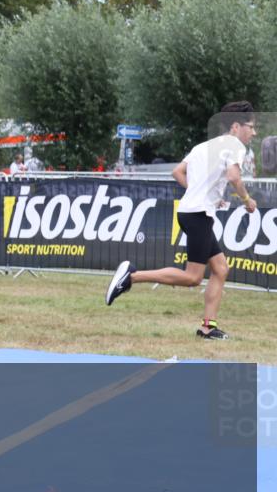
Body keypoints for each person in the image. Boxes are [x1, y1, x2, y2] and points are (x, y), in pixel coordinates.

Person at [106, 101, 258, 340]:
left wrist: (201, 192)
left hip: (192, 211)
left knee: (220, 268)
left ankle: (207, 328)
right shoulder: (234, 145)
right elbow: (233, 176)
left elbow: (177, 172)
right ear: (236, 126)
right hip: (197, 214)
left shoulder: (203, 146)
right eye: (251, 127)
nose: (254, 132)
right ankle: (131, 276)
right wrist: (247, 200)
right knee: (193, 277)